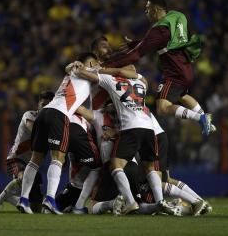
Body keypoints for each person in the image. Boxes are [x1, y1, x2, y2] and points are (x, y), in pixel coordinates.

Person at [101, 0, 215, 137]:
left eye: (147, 9)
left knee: (162, 107)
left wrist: (107, 64)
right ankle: (206, 118)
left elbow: (136, 55)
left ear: (155, 10)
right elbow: (160, 40)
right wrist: (138, 43)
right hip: (186, 67)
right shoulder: (176, 17)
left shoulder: (159, 29)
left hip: (174, 73)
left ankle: (201, 118)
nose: (146, 12)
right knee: (182, 95)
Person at [73, 63, 175, 215]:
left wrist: (82, 69)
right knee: (150, 168)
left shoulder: (111, 81)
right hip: (148, 127)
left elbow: (90, 76)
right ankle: (159, 202)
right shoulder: (142, 81)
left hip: (131, 127)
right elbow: (130, 73)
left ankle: (130, 202)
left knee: (115, 166)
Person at [17, 54, 92, 215]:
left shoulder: (72, 71)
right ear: (91, 63)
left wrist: (72, 64)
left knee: (35, 159)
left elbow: (69, 67)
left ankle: (23, 200)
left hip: (44, 114)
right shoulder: (87, 70)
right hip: (59, 115)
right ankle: (50, 200)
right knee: (58, 158)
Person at [0, 91, 55, 213]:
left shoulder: (50, 125)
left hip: (32, 164)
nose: (45, 108)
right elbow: (34, 130)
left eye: (48, 106)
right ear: (38, 105)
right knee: (23, 177)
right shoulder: (29, 115)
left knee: (35, 209)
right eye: (43, 104)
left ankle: (7, 196)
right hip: (16, 158)